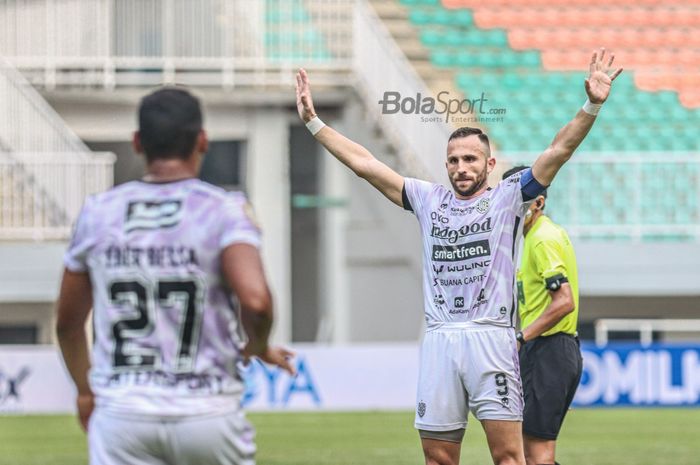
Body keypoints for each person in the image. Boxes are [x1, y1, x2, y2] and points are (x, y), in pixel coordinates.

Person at [295, 48, 621, 465]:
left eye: (470, 159)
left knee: (509, 457)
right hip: (441, 339)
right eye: (453, 160)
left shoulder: (509, 198)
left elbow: (558, 150)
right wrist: (314, 123)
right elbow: (366, 164)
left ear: (489, 163)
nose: (461, 167)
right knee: (438, 459)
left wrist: (591, 105)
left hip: (492, 340)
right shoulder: (428, 200)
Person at [55, 87, 294, 465]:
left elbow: (68, 324)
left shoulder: (99, 213)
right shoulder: (224, 210)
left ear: (137, 142)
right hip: (206, 410)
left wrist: (86, 391)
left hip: (123, 413)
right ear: (202, 141)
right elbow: (257, 302)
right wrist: (258, 344)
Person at [502, 166, 582, 465]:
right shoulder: (536, 235)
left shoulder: (542, 238)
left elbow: (564, 301)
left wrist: (522, 337)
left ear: (538, 202)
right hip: (550, 352)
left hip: (548, 350)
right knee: (525, 451)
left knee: (537, 455)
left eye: (522, 196)